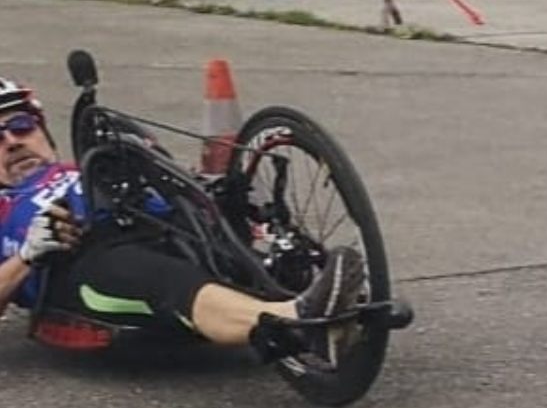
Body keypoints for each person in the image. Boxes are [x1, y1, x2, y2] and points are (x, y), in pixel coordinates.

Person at [0, 76, 365, 359]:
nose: (13, 141)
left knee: (229, 218)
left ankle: (323, 292)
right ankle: (297, 321)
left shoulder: (84, 165)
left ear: (43, 131)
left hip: (169, 225)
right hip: (84, 264)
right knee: (146, 270)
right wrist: (28, 255)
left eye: (20, 126)